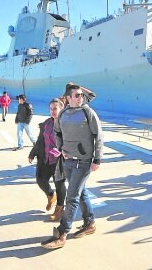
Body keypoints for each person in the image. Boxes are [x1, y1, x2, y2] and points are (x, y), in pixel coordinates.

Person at [41, 84, 103, 250]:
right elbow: (57, 132)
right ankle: (90, 223)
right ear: (68, 98)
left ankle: (62, 233)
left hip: (83, 161)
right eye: (76, 95)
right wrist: (61, 149)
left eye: (81, 95)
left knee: (72, 196)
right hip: (68, 160)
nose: (80, 97)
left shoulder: (88, 112)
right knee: (80, 192)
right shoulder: (63, 113)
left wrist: (97, 159)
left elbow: (99, 136)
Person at [28, 98, 67, 221]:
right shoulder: (47, 123)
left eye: (55, 108)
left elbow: (71, 142)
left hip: (59, 162)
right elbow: (40, 140)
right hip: (45, 159)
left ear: (62, 109)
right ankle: (50, 195)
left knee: (59, 185)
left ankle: (60, 208)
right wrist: (32, 153)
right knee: (40, 180)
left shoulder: (66, 125)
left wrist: (63, 151)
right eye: (51, 109)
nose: (53, 111)